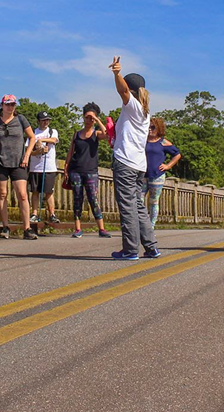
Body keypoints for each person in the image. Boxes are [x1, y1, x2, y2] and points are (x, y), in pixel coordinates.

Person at [108, 56, 160, 260]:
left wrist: (116, 74)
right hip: (138, 165)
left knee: (128, 207)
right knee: (138, 206)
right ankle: (151, 247)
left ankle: (130, 250)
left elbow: (122, 91)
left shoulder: (133, 106)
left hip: (126, 163)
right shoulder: (145, 111)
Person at [0, 95, 38, 239]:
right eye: (7, 104)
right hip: (1, 161)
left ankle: (27, 228)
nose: (10, 107)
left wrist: (27, 155)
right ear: (2, 105)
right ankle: (5, 226)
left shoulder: (21, 120)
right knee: (2, 194)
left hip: (19, 161)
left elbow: (32, 137)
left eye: (13, 104)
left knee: (22, 194)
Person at [63, 102, 111, 238]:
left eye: (92, 118)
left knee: (93, 199)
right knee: (77, 199)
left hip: (91, 171)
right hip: (76, 170)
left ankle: (101, 228)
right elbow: (70, 152)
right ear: (83, 118)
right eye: (87, 117)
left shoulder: (96, 133)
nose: (89, 120)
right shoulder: (76, 134)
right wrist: (66, 167)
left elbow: (108, 135)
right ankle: (78, 229)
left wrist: (97, 120)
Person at [144, 116, 181, 226]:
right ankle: (141, 224)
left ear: (159, 128)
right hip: (142, 175)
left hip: (157, 175)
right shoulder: (142, 139)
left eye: (153, 127)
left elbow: (177, 154)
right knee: (138, 200)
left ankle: (151, 226)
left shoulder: (163, 142)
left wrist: (168, 166)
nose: (150, 129)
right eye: (148, 127)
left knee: (153, 201)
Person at [28, 111, 61, 225]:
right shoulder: (32, 133)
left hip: (49, 167)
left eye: (47, 120)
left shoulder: (52, 131)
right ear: (38, 121)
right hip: (35, 167)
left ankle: (52, 214)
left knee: (49, 192)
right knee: (35, 191)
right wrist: (39, 150)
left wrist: (41, 140)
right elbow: (29, 151)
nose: (46, 122)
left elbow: (53, 140)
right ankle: (34, 214)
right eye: (43, 120)